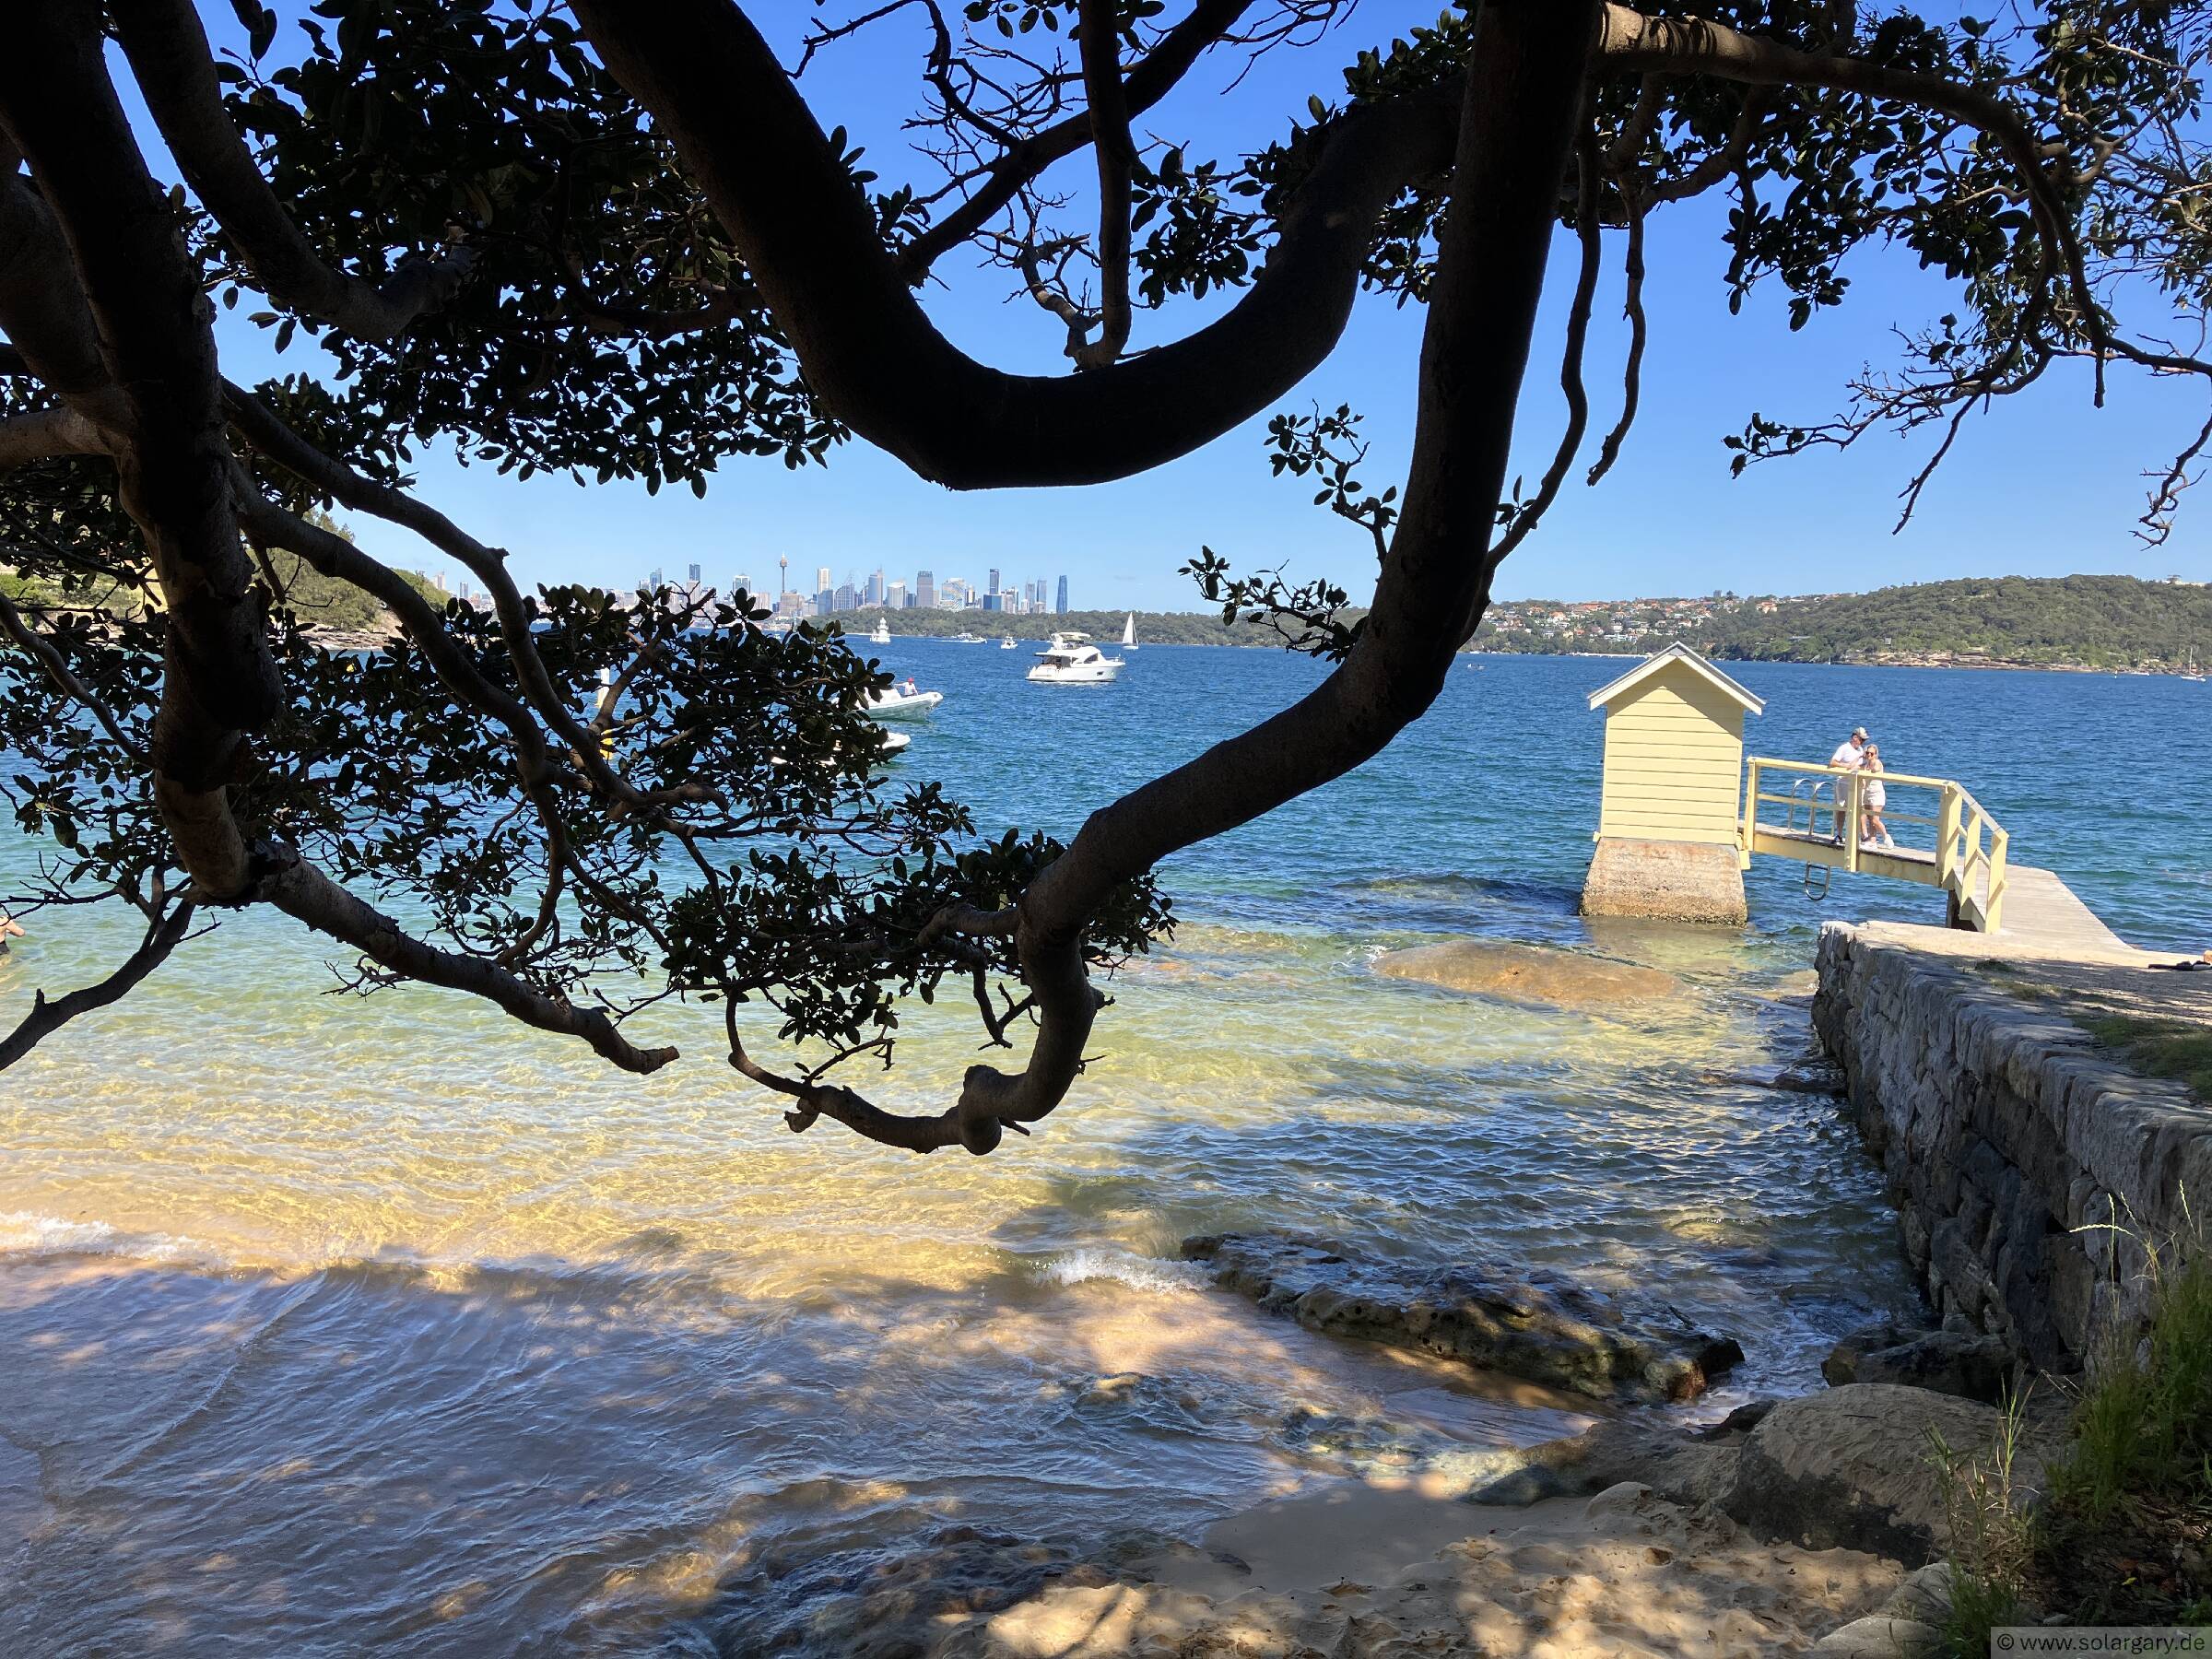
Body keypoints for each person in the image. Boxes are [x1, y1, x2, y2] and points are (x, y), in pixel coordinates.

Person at [1859, 744, 1894, 848]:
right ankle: (1872, 841)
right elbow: (1855, 768)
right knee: (1870, 820)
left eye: (1871, 753)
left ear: (1875, 754)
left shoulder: (1877, 762)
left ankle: (1886, 837)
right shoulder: (1865, 765)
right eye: (1867, 753)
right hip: (1867, 793)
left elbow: (1876, 768)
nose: (1869, 755)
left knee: (1875, 819)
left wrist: (1870, 767)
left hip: (1876, 794)